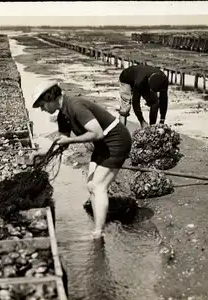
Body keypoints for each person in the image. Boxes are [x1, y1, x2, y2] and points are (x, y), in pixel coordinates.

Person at [29, 81, 132, 239]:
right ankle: (98, 226)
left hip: (116, 140)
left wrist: (70, 141)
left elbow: (97, 133)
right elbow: (61, 141)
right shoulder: (62, 115)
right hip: (102, 144)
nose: (42, 109)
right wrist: (42, 153)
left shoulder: (75, 106)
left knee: (99, 186)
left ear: (50, 97)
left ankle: (99, 232)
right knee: (90, 185)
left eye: (42, 105)